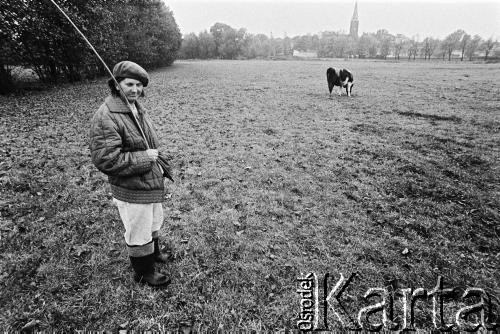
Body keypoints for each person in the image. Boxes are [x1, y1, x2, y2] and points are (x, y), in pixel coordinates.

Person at [89, 60, 173, 287]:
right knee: (138, 229)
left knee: (154, 220)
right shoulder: (107, 115)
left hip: (148, 180)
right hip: (130, 187)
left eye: (138, 85)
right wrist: (145, 158)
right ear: (116, 85)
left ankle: (153, 254)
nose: (135, 89)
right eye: (129, 84)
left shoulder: (135, 108)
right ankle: (144, 272)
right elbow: (106, 159)